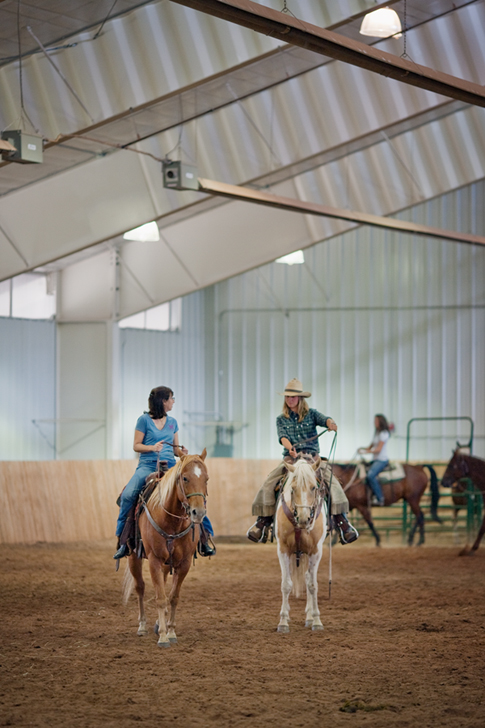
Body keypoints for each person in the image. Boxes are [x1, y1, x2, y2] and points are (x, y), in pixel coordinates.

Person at [247, 378, 359, 545]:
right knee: (270, 482)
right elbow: (282, 436)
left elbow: (325, 419)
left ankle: (343, 523)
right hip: (290, 460)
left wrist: (331, 423)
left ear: (300, 398)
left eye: (293, 396)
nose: (289, 399)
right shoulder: (281, 419)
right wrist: (289, 447)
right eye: (287, 397)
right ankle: (262, 522)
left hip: (313, 459)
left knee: (332, 483)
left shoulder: (312, 414)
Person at [113, 386, 215, 559]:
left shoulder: (172, 422)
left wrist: (182, 451)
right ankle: (123, 540)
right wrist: (152, 447)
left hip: (171, 467)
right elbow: (136, 445)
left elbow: (176, 450)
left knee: (193, 494)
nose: (173, 401)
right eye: (171, 398)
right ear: (163, 401)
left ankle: (204, 538)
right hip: (147, 466)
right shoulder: (143, 420)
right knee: (128, 495)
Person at [358, 414, 391, 506]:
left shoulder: (384, 433)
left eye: (376, 421)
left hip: (382, 460)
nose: (374, 423)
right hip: (376, 459)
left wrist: (366, 452)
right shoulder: (377, 433)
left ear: (380, 422)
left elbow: (378, 449)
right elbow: (371, 446)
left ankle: (380, 498)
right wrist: (363, 449)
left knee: (371, 475)